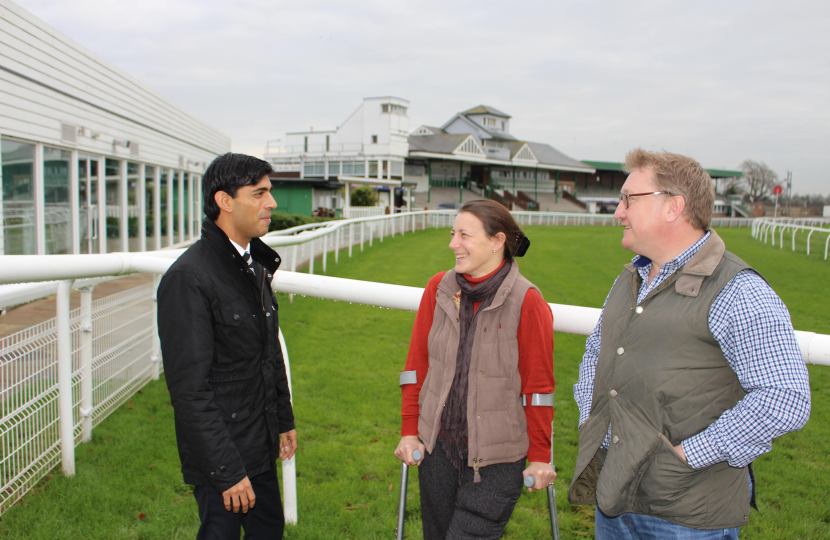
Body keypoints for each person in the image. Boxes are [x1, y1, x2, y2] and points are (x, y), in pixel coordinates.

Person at [569, 149, 811, 539]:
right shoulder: (629, 279)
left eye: (629, 199)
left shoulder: (739, 290)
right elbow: (597, 354)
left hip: (686, 515)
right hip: (616, 496)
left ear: (673, 207)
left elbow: (785, 398)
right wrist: (589, 421)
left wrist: (686, 457)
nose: (618, 212)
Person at [394, 199, 555, 539]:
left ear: (497, 241)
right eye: (453, 234)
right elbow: (415, 367)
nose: (453, 244)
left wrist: (541, 456)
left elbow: (538, 387)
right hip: (438, 448)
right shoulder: (438, 288)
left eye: (464, 235)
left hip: (497, 460)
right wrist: (410, 430)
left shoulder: (528, 301)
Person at [158, 153, 297, 540]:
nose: (271, 203)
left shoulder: (254, 264)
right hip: (222, 458)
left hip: (259, 441)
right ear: (224, 201)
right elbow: (189, 390)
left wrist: (283, 420)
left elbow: (268, 353)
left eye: (270, 192)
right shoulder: (189, 278)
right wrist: (227, 472)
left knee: (268, 529)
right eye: (259, 193)